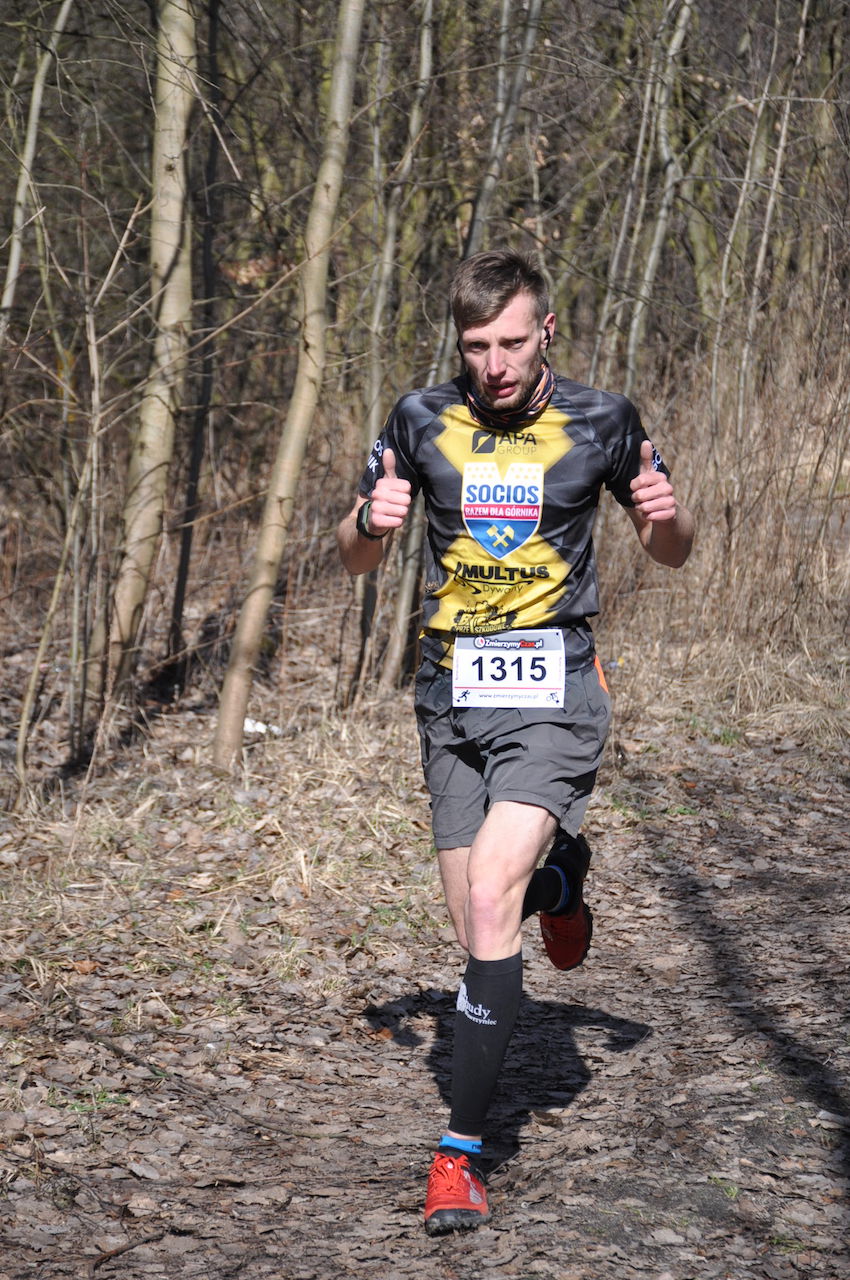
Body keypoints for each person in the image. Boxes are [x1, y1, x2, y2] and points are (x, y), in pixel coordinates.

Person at [337, 249, 694, 1235]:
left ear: (546, 331)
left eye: (509, 342)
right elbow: (352, 554)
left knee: (491, 895)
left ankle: (459, 1156)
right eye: (474, 346)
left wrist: (666, 522)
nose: (493, 364)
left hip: (554, 688)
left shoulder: (602, 420)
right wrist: (368, 521)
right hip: (448, 692)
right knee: (476, 923)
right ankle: (561, 881)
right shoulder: (420, 418)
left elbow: (671, 549)